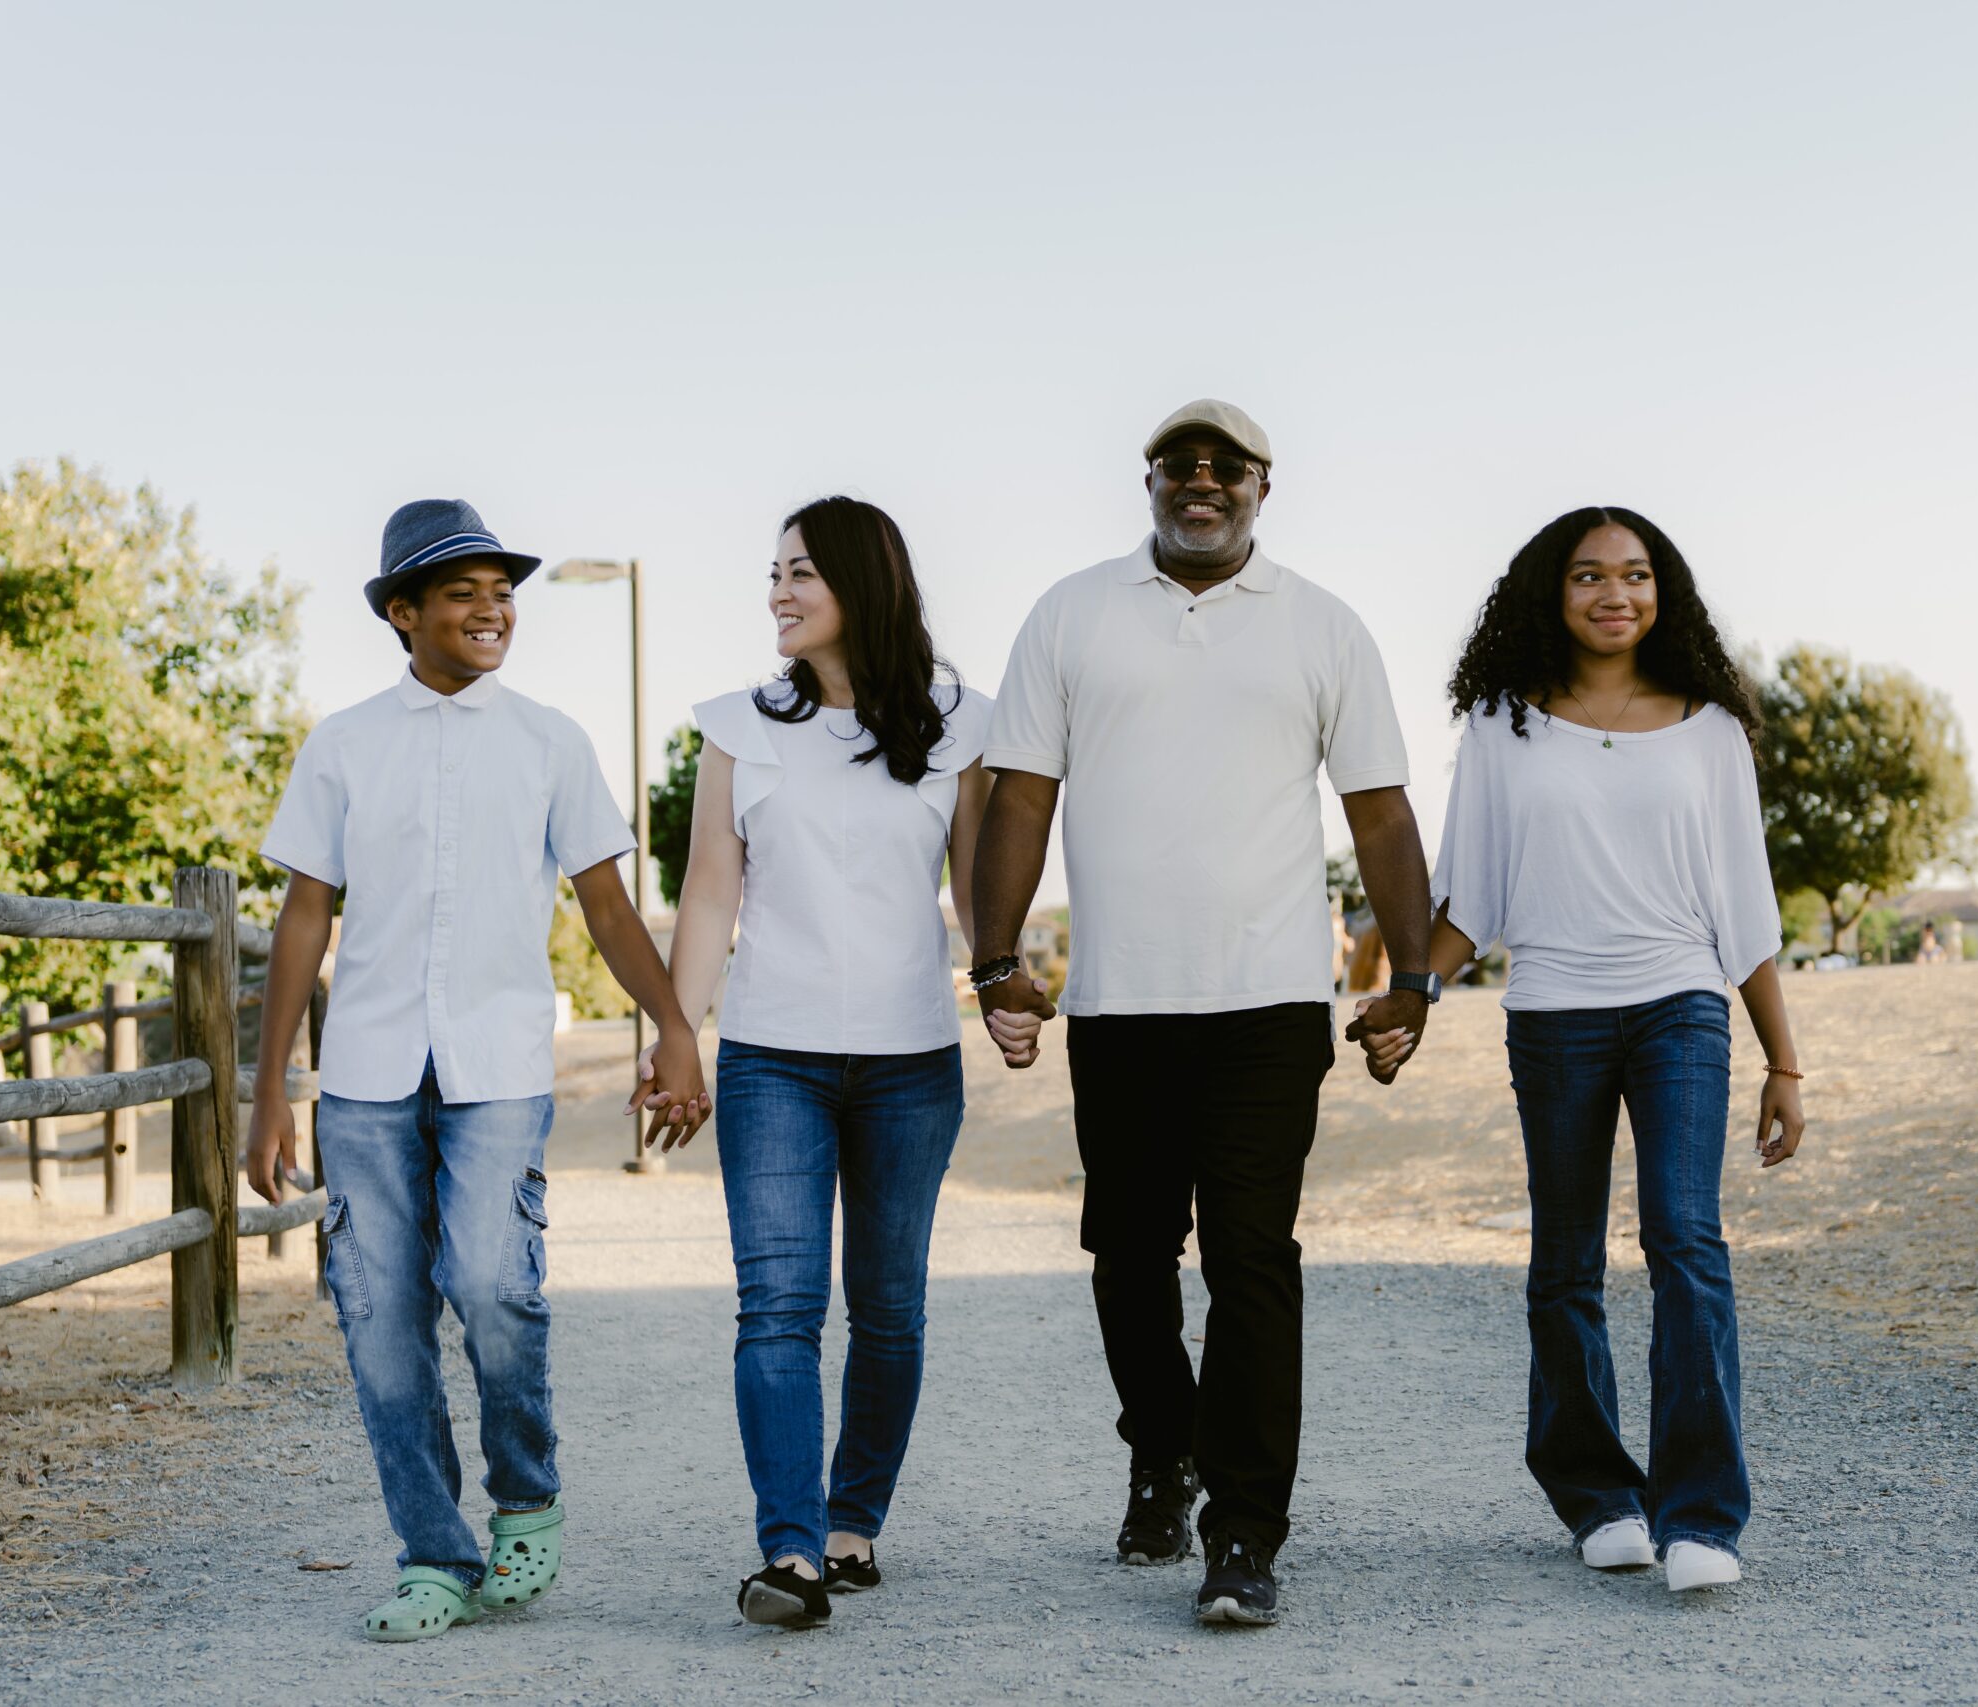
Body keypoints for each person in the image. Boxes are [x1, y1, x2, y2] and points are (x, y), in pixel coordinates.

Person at [971, 400, 1436, 1627]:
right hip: (1121, 1004)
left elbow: (1379, 812)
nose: (1202, 480)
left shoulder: (1323, 627)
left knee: (1250, 1260)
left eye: (1226, 466)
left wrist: (1412, 978)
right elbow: (1018, 797)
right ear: (1150, 482)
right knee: (1127, 1258)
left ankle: (1242, 1532)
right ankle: (1160, 1448)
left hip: (1269, 1002)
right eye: (1179, 463)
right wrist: (994, 962)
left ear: (1263, 489)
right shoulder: (1071, 612)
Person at [243, 499, 707, 1642]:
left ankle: (527, 1494)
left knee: (497, 1288)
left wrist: (674, 1026)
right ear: (403, 613)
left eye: (503, 590)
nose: (491, 607)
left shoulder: (551, 740)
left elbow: (605, 901)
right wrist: (267, 1093)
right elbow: (306, 915)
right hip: (364, 1075)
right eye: (462, 591)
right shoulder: (343, 743)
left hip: (500, 1064)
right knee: (377, 1316)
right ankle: (433, 1553)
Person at [1354, 505, 1808, 1594]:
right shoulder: (1504, 728)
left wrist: (1784, 1064)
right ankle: (1598, 1494)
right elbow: (1473, 899)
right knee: (1565, 1262)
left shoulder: (1709, 731)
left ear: (1666, 593)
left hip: (1680, 1007)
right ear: (1549, 595)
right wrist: (1406, 1000)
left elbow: (1743, 913)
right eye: (1590, 576)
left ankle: (1700, 1515)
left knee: (1683, 1240)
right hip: (1553, 1011)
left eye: (1639, 575)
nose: (1617, 594)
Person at [649, 496, 993, 1630]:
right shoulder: (740, 726)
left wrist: (1006, 983)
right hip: (771, 1060)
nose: (778, 593)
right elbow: (711, 888)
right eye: (773, 573)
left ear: (863, 582)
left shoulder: (960, 723)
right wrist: (677, 1028)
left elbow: (987, 890)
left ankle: (855, 1524)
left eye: (801, 572)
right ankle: (789, 1551)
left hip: (909, 1061)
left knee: (888, 1310)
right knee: (776, 1309)